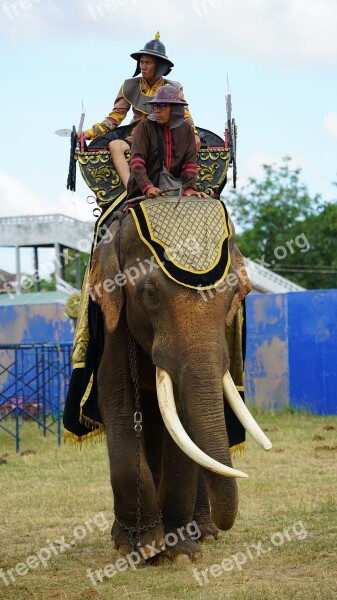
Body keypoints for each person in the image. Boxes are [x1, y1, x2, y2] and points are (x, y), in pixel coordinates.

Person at [82, 32, 200, 189]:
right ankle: (131, 188)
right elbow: (115, 117)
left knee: (194, 142)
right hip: (137, 137)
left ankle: (182, 184)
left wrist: (194, 134)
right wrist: (89, 133)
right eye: (141, 62)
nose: (143, 66)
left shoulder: (173, 88)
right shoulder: (129, 86)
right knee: (115, 146)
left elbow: (184, 116)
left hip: (167, 138)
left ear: (159, 66)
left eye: (148, 63)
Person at [127, 85, 208, 200]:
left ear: (175, 108)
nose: (157, 110)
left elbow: (190, 164)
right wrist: (148, 187)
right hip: (142, 193)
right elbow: (137, 162)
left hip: (176, 193)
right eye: (155, 106)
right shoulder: (144, 126)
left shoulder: (187, 130)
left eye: (162, 106)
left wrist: (189, 188)